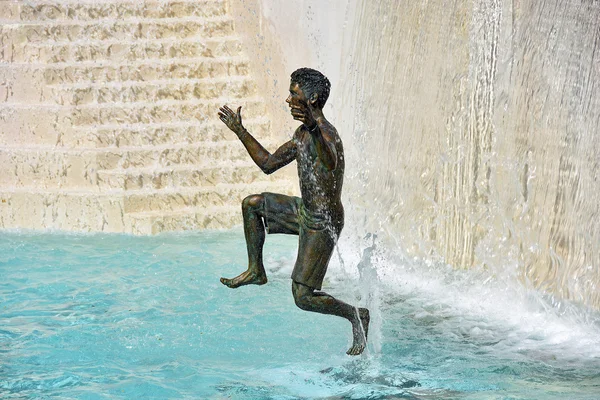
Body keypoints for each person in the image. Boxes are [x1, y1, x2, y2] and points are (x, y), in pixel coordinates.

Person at [218, 68, 369, 355]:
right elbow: (268, 164)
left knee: (302, 297)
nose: (288, 100)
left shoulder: (326, 133)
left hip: (322, 222)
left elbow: (331, 160)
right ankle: (255, 270)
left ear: (311, 100)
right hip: (303, 210)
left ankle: (356, 314)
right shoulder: (301, 135)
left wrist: (313, 126)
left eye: (294, 94)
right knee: (252, 204)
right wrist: (240, 130)